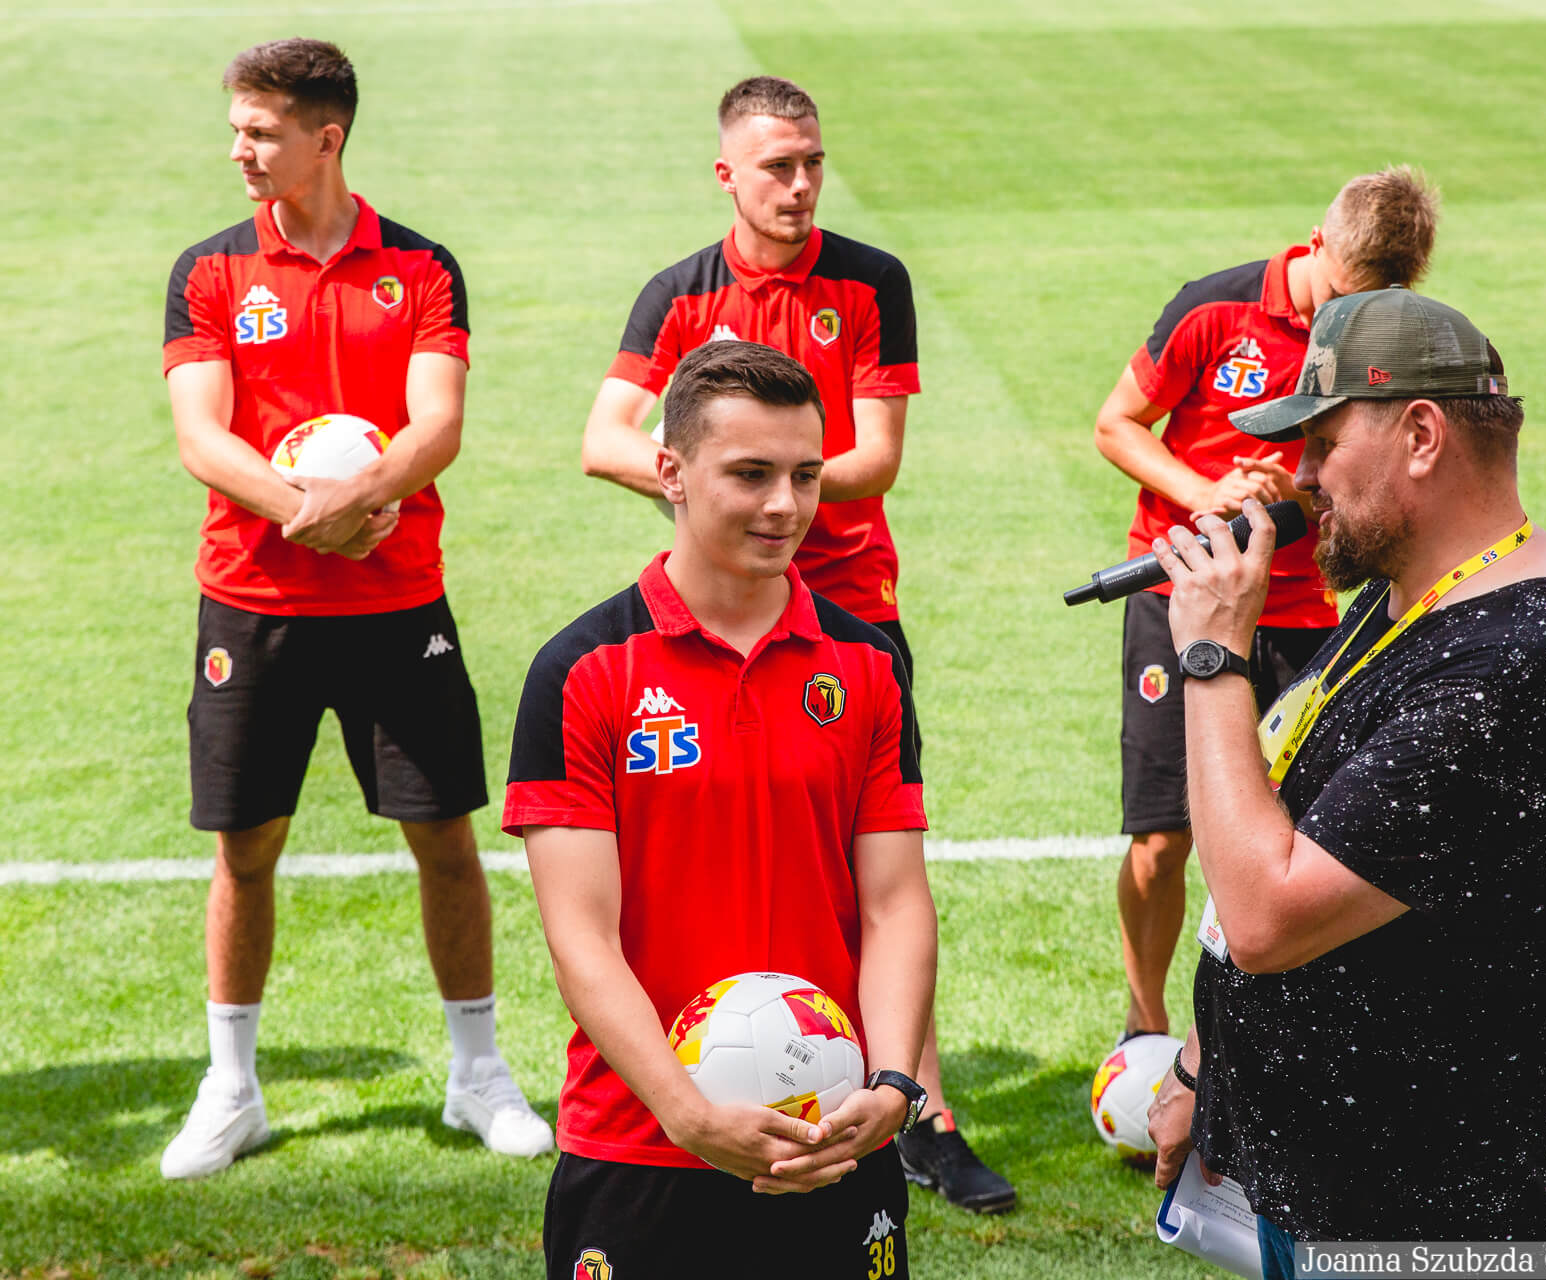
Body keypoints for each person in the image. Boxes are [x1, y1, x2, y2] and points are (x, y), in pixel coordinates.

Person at [578, 75, 1014, 1213]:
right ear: (728, 174)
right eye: (779, 166)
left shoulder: (870, 280)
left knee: (878, 871)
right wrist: (703, 493)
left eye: (814, 161)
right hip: (715, 617)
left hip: (848, 617)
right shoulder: (678, 294)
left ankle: (918, 1104)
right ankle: (728, 1079)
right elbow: (601, 436)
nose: (803, 183)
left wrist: (760, 489)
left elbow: (876, 456)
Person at [1142, 289, 1546, 1266]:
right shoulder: (1411, 594)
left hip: (1421, 1216)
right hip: (1322, 1185)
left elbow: (1267, 915)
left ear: (1420, 435)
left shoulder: (1515, 670)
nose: (1299, 477)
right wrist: (1209, 1066)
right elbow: (1302, 815)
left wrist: (1212, 658)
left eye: (1323, 442)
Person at [158, 39, 550, 1179]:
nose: (240, 149)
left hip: (396, 599)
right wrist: (307, 510)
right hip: (254, 599)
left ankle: (476, 1073)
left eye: (261, 131)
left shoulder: (421, 267)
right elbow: (201, 435)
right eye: (237, 128)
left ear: (326, 138)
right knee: (246, 848)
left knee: (445, 837)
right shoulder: (209, 270)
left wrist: (365, 493)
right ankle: (232, 1086)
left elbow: (439, 423)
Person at [507, 341, 938, 1277]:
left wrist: (895, 1083)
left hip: (831, 1135)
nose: (786, 505)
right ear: (670, 471)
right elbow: (582, 937)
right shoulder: (582, 671)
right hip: (640, 1147)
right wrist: (688, 1113)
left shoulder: (867, 665)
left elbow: (895, 902)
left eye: (805, 475)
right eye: (751, 474)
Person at [1092, 168, 1439, 1044]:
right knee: (1162, 839)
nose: (1353, 320)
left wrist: (1306, 498)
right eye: (1343, 297)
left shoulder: (1393, 339)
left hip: (1311, 617)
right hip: (1186, 594)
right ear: (1316, 245)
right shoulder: (1214, 309)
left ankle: (1268, 1030)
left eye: (1376, 305)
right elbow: (1116, 423)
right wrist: (1201, 491)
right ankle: (1144, 1023)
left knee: (1301, 841)